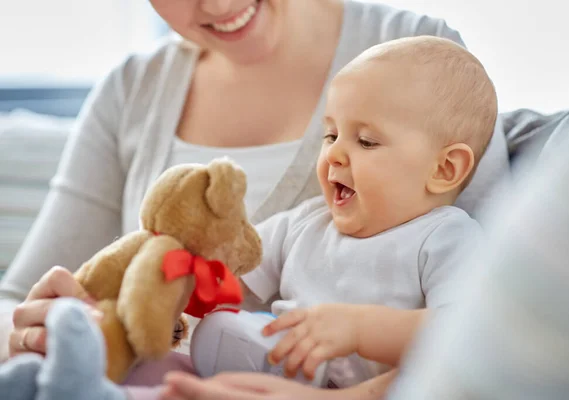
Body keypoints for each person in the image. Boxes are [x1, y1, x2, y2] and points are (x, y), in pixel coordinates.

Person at [0, 0, 509, 362]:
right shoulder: (131, 89)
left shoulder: (423, 56)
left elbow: (497, 334)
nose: (220, 4)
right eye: (328, 135)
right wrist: (35, 332)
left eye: (367, 142)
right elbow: (18, 300)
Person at [237, 35, 496, 388]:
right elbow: (232, 268)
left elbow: (469, 333)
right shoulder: (306, 223)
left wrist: (361, 329)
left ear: (444, 170)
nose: (334, 154)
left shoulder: (446, 238)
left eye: (366, 141)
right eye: (330, 136)